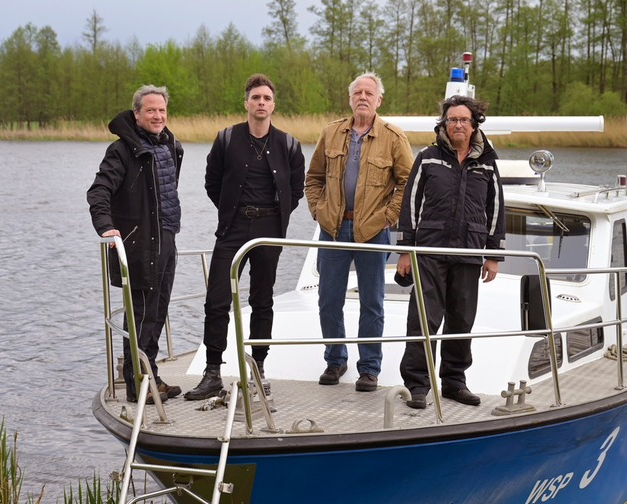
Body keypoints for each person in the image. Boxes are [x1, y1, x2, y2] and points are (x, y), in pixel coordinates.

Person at [184, 74, 305, 400]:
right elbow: (212, 183)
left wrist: (275, 217)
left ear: (273, 104)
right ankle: (212, 373)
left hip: (268, 231)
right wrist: (231, 210)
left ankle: (258, 369)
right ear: (246, 103)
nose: (261, 103)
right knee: (217, 299)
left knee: (262, 301)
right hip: (233, 227)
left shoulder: (289, 145)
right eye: (255, 98)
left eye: (266, 98)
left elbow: (296, 191)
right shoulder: (226, 139)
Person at [305, 72, 413, 392]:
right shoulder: (331, 133)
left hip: (373, 232)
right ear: (350, 98)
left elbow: (407, 183)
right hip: (334, 229)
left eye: (369, 92)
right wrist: (318, 211)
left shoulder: (393, 136)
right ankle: (335, 360)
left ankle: (369, 368)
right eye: (357, 92)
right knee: (328, 299)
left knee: (372, 301)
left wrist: (387, 218)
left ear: (379, 100)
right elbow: (314, 179)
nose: (363, 97)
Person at [395, 94, 505, 409]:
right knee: (423, 321)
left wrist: (493, 254)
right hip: (429, 251)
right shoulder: (428, 156)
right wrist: (405, 249)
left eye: (463, 120)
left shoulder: (487, 161)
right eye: (452, 119)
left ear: (474, 125)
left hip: (470, 251)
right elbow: (411, 203)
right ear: (444, 124)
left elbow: (496, 207)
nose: (457, 124)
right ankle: (417, 386)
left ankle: (454, 383)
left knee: (461, 321)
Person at [87, 85, 184, 404]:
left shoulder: (171, 145)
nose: (158, 116)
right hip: (140, 245)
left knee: (158, 314)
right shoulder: (122, 150)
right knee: (140, 315)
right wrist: (107, 228)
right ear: (137, 114)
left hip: (167, 239)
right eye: (151, 110)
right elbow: (98, 191)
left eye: (162, 110)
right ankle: (136, 384)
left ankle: (150, 375)